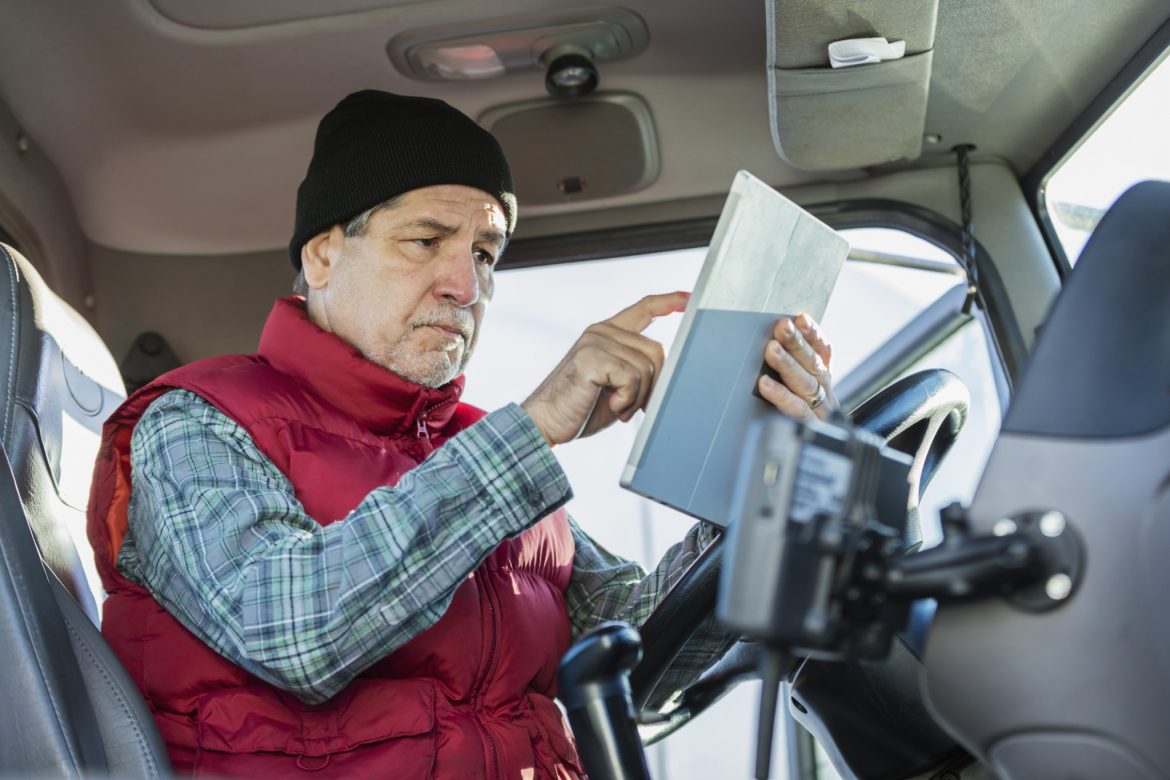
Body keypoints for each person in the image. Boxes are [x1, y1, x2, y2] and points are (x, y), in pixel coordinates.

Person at [86, 90, 839, 778]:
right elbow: (294, 629)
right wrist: (538, 426)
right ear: (322, 254)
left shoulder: (485, 459)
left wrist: (758, 483)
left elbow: (636, 662)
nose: (467, 286)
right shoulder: (194, 422)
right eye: (425, 242)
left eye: (484, 253)